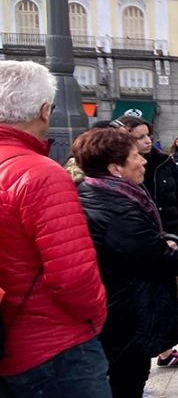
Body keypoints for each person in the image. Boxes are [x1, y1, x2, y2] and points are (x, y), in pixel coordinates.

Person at [0, 61, 110, 397]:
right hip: (55, 347)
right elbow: (72, 277)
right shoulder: (41, 174)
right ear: (45, 111)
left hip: (10, 344)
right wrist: (97, 314)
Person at [72, 128, 178, 397]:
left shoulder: (95, 192)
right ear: (115, 168)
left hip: (116, 310)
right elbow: (161, 260)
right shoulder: (117, 209)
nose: (143, 160)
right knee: (128, 381)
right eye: (135, 156)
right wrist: (172, 249)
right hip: (126, 315)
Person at [115, 116, 178, 369]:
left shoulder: (164, 162)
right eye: (139, 136)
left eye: (147, 134)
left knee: (165, 296)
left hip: (169, 236)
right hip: (141, 241)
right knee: (146, 299)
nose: (147, 140)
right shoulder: (121, 170)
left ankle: (166, 351)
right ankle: (150, 354)